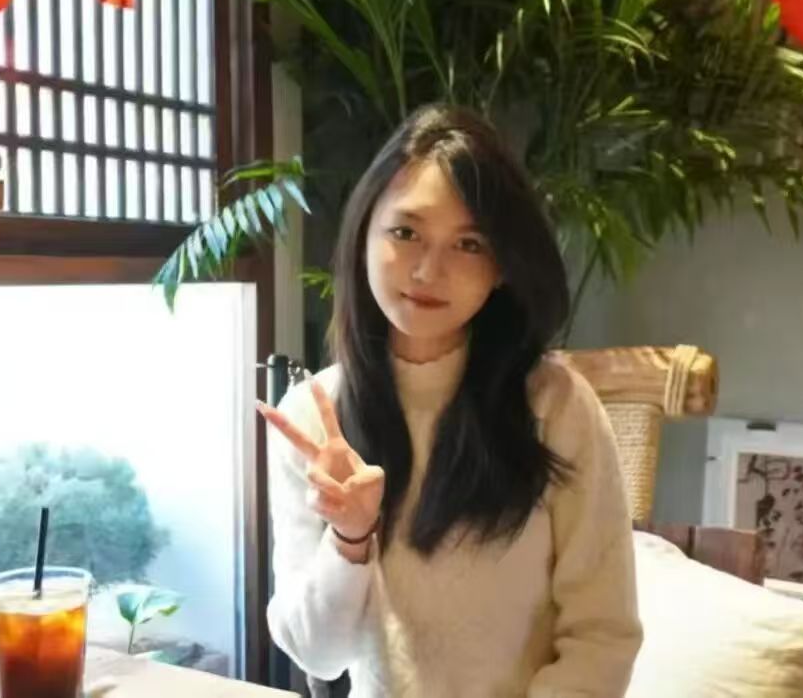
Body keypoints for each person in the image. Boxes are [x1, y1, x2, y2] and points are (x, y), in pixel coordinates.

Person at [255, 104, 642, 698]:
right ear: (363, 235)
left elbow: (602, 635)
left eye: (468, 243)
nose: (428, 271)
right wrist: (350, 539)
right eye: (406, 233)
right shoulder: (314, 415)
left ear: (502, 266)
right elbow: (318, 655)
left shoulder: (555, 404)